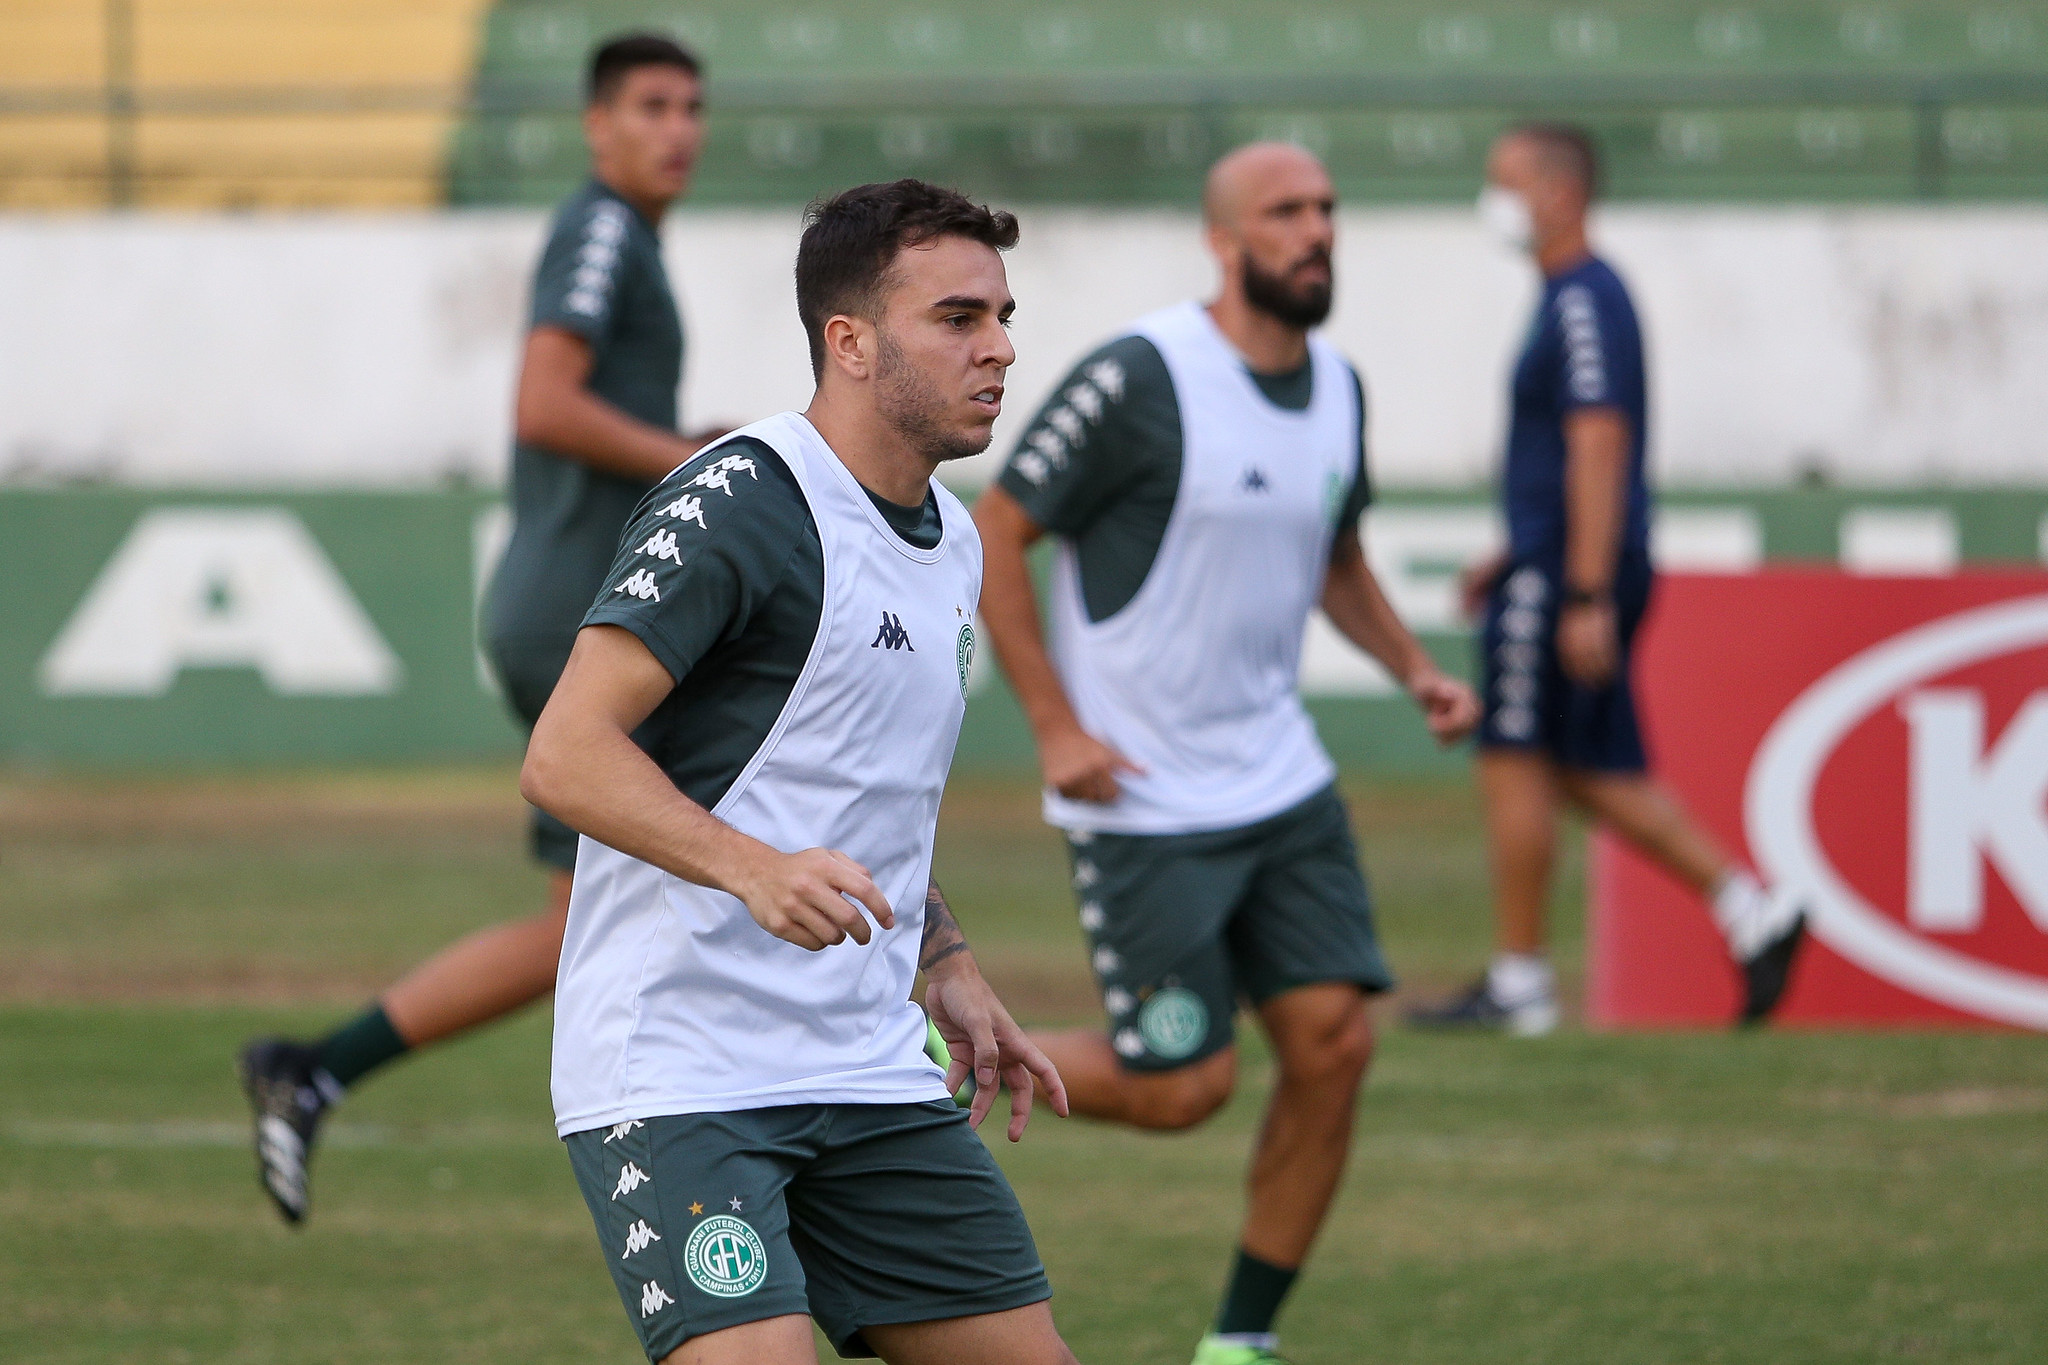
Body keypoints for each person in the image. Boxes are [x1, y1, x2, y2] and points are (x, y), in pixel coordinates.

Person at [525, 178, 1076, 1365]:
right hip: (681, 1074)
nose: (1001, 348)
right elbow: (563, 754)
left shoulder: (953, 536)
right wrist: (748, 870)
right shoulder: (740, 500)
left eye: (1002, 315)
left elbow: (856, 796)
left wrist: (948, 964)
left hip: (866, 1071)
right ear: (851, 342)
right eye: (959, 318)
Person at [974, 143, 1480, 1365]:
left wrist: (1412, 666)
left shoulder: (1340, 389)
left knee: (1335, 1044)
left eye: (1326, 208)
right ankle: (922, 1060)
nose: (1315, 231)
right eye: (1285, 212)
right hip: (1145, 801)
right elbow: (995, 529)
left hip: (1283, 785)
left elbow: (1334, 560)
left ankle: (1237, 1347)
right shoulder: (1141, 376)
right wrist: (1053, 724)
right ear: (1224, 239)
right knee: (1178, 1090)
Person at [237, 32, 729, 1224]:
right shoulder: (604, 228)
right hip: (585, 618)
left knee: (583, 922)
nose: (678, 129)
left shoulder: (626, 238)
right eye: (651, 105)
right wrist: (705, 463)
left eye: (692, 108)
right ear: (595, 122)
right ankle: (772, 1149)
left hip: (560, 608)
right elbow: (544, 405)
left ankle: (315, 1070)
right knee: (741, 851)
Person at [1405, 123, 1807, 1037]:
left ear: (1559, 191)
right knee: (1583, 766)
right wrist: (1515, 550)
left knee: (1513, 751)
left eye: (1504, 179)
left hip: (1568, 572)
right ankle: (1753, 909)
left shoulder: (1583, 297)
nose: (1492, 197)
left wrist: (1579, 588)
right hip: (1552, 559)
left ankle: (1519, 984)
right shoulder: (1571, 297)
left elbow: (1599, 437)